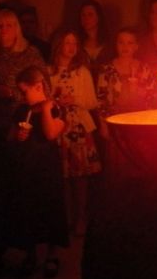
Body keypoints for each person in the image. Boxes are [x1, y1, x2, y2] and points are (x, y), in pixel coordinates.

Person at [6, 66, 68, 277]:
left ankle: (52, 254)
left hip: (48, 169)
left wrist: (48, 107)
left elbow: (51, 133)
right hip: (27, 169)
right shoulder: (22, 110)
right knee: (29, 211)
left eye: (25, 91)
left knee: (51, 209)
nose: (22, 96)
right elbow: (10, 136)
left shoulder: (57, 109)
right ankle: (31, 254)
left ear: (38, 86)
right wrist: (18, 135)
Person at [0, 9, 47, 200]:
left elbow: (45, 89)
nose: (3, 31)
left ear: (17, 29)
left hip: (26, 127)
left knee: (26, 185)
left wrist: (11, 93)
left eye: (9, 26)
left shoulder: (31, 54)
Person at [49, 30, 101, 236]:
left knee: (80, 177)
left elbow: (92, 102)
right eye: (67, 42)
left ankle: (81, 218)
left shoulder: (82, 72)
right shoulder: (49, 71)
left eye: (74, 43)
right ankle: (66, 218)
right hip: (58, 128)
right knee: (62, 177)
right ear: (59, 45)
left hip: (78, 128)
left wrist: (74, 100)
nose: (71, 47)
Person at [97, 28, 153, 177]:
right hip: (116, 124)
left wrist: (138, 90)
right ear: (116, 45)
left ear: (136, 46)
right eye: (121, 42)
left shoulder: (144, 68)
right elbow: (101, 99)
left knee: (139, 165)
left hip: (139, 124)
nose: (125, 47)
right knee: (119, 167)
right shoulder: (107, 69)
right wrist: (103, 125)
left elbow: (150, 98)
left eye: (129, 43)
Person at [78, 0, 112, 78]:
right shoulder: (76, 42)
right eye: (83, 15)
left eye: (90, 15)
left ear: (98, 17)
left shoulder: (109, 42)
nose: (86, 19)